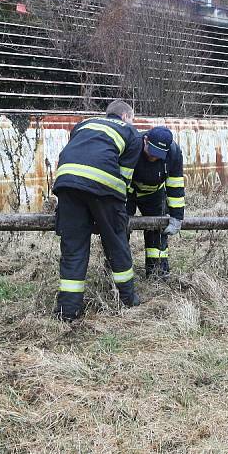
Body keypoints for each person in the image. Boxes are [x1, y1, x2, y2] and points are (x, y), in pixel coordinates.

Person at [52, 100, 143, 322]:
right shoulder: (131, 132)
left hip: (66, 182)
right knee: (116, 242)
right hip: (104, 185)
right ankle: (128, 299)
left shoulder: (83, 125)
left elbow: (77, 153)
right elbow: (124, 178)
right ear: (125, 117)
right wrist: (115, 216)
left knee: (73, 248)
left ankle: (68, 311)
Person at [126, 126, 184, 278]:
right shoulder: (132, 146)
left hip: (155, 194)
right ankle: (116, 270)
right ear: (145, 140)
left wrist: (177, 217)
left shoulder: (174, 153)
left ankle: (157, 272)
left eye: (159, 155)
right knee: (120, 230)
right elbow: (121, 180)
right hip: (129, 192)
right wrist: (121, 211)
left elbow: (175, 185)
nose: (154, 158)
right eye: (152, 152)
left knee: (157, 232)